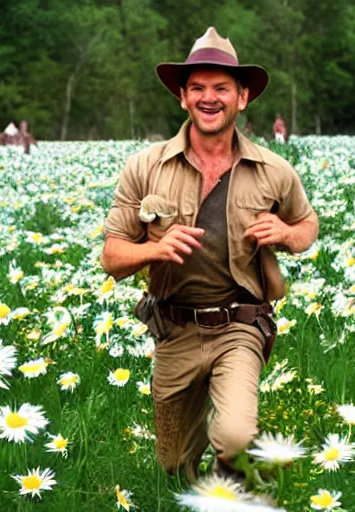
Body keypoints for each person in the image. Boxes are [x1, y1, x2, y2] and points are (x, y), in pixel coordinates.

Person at [100, 26, 318, 483]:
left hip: (240, 323)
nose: (209, 98)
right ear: (182, 98)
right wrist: (155, 248)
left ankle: (239, 495)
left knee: (236, 437)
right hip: (175, 328)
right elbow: (111, 255)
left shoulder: (274, 170)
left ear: (243, 98)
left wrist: (285, 232)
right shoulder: (145, 167)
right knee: (174, 465)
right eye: (197, 88)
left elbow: (307, 226)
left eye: (221, 88)